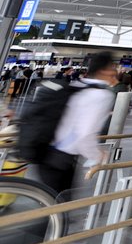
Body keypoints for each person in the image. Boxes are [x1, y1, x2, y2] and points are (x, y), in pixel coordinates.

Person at [36, 51, 117, 198]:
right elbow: (85, 134)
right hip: (61, 159)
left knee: (49, 204)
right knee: (59, 208)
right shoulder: (101, 95)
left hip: (45, 151)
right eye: (112, 66)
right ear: (104, 70)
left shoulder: (77, 85)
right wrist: (98, 156)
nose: (115, 70)